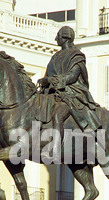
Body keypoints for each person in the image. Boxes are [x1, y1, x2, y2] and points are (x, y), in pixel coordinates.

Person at [36, 26, 102, 159]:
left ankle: (54, 150)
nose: (56, 39)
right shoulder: (55, 57)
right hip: (52, 93)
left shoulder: (77, 55)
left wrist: (50, 80)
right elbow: (48, 74)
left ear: (65, 37)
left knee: (57, 115)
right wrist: (44, 82)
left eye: (58, 36)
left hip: (71, 92)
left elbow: (72, 77)